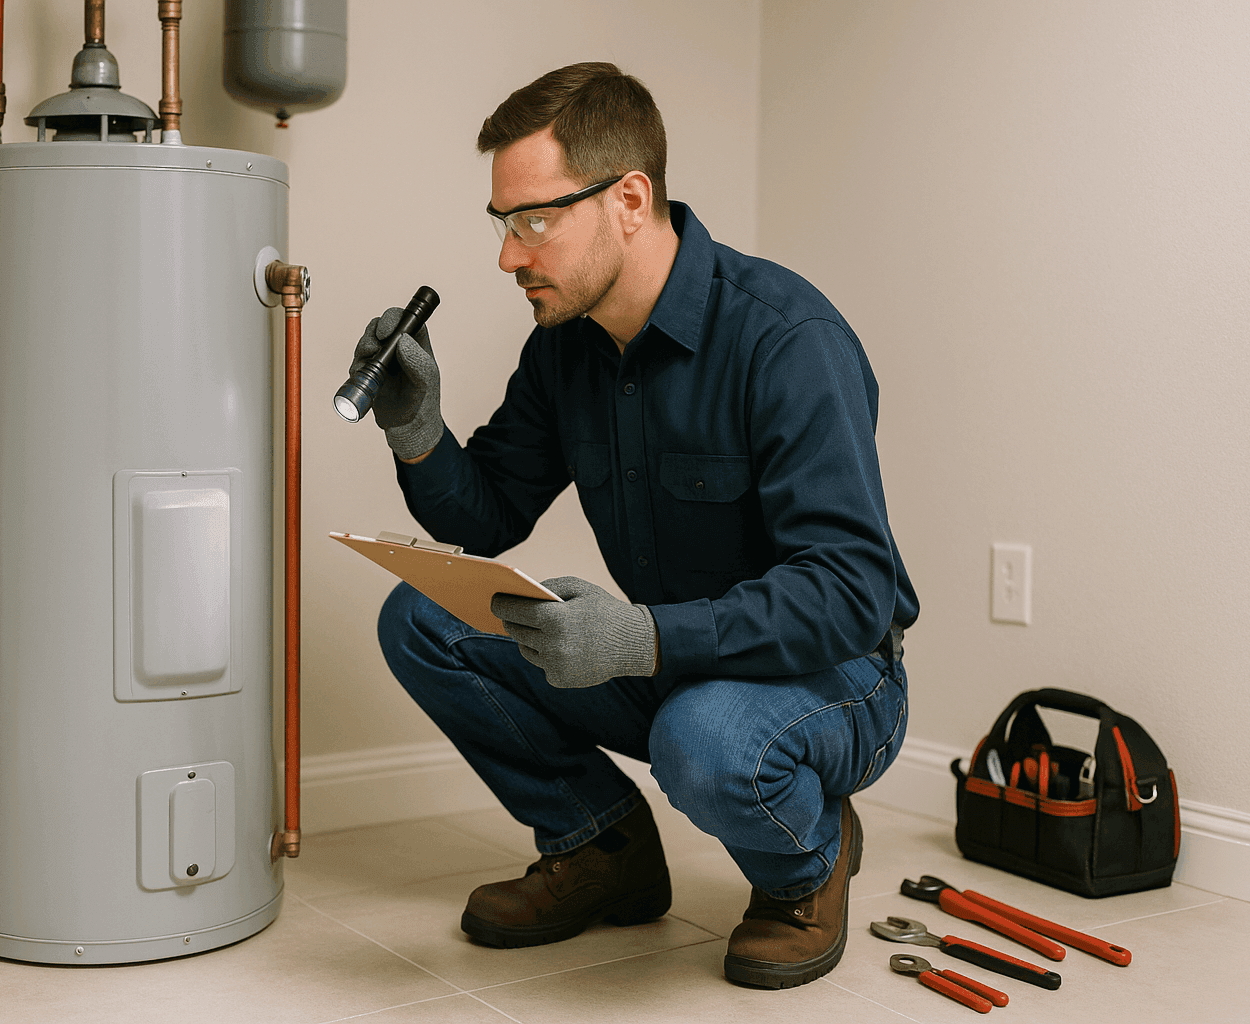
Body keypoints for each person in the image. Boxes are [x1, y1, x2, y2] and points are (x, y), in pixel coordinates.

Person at [349, 62, 918, 989]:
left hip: (836, 676)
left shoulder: (785, 341)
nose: (509, 256)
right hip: (670, 660)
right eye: (503, 223)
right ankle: (601, 850)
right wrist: (417, 431)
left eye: (534, 220)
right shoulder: (566, 349)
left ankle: (808, 859)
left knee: (707, 740)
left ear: (629, 198)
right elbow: (487, 516)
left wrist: (644, 636)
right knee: (422, 620)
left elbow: (851, 595)